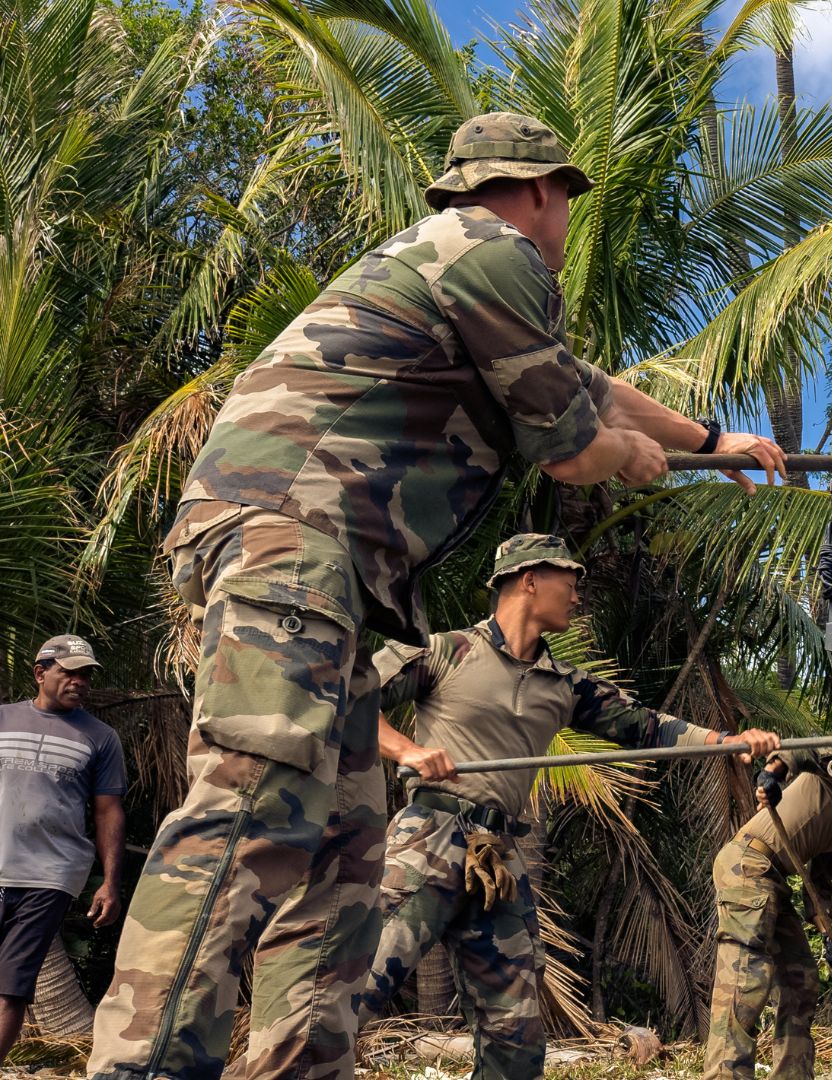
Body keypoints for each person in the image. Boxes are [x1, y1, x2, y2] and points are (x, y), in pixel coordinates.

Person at [88, 113, 786, 1080]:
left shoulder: (456, 264)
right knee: (250, 814)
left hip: (321, 571)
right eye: (568, 205)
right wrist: (637, 461)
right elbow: (580, 443)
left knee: (338, 861)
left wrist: (715, 442)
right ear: (544, 190)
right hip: (291, 546)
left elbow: (593, 388)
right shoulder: (495, 252)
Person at [359, 533, 782, 1078]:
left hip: (498, 859)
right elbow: (352, 693)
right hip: (429, 838)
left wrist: (726, 742)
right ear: (529, 579)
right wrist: (409, 750)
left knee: (516, 1041)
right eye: (570, 581)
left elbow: (646, 726)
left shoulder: (566, 686)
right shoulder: (447, 651)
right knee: (358, 987)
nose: (578, 595)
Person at [1, 636, 126, 1062]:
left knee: (13, 987)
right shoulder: (2, 720)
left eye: (85, 674)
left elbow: (109, 812)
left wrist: (110, 882)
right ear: (40, 672)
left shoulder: (101, 738)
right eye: (69, 671)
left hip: (48, 878)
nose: (79, 681)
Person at [702, 750, 832, 1080]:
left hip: (773, 878)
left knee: (801, 981)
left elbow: (817, 892)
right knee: (746, 979)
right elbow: (802, 750)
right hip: (747, 864)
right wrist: (770, 774)